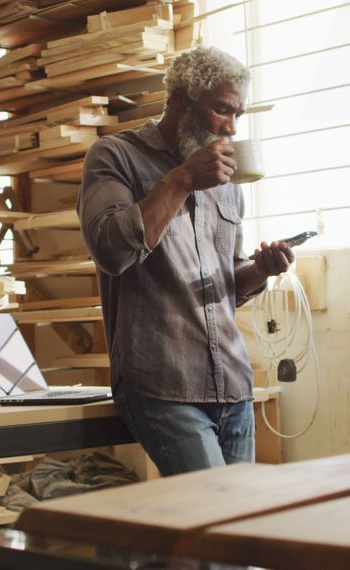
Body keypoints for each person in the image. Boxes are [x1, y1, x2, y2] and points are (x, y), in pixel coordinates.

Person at [77, 46, 294, 476]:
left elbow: (225, 284)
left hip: (231, 381)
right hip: (161, 381)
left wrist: (261, 271)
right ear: (180, 100)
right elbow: (110, 251)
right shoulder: (114, 156)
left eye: (238, 115)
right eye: (221, 110)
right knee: (211, 517)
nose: (231, 127)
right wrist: (181, 179)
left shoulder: (228, 181)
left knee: (238, 526)